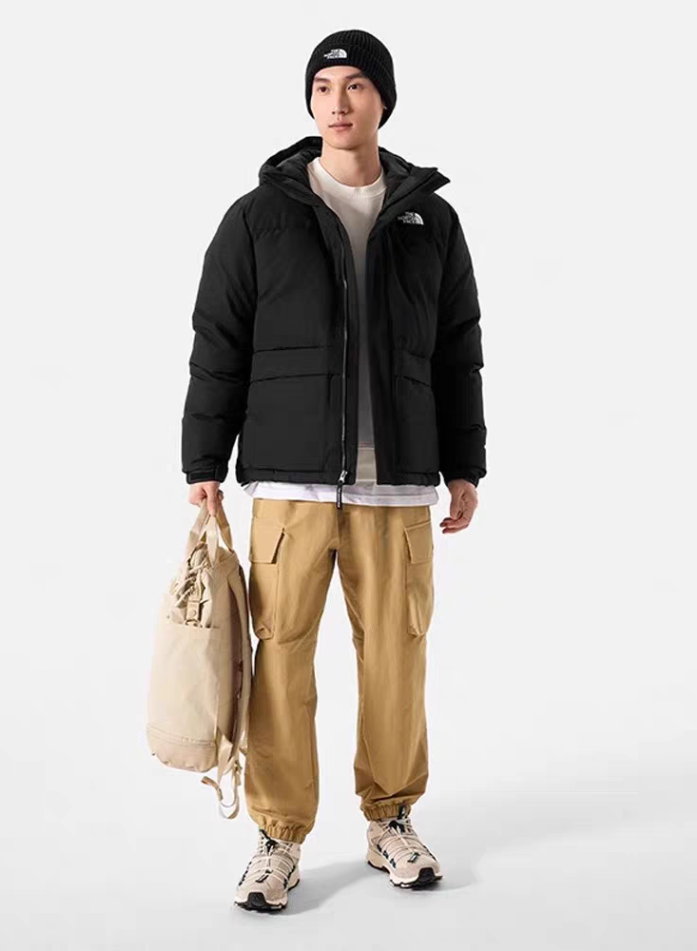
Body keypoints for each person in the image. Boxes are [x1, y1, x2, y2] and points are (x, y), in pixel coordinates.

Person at [181, 28, 487, 912]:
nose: (338, 102)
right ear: (309, 101)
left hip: (398, 485)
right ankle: (279, 837)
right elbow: (218, 340)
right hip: (289, 484)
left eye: (355, 85)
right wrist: (203, 457)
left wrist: (464, 463)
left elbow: (458, 349)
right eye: (323, 86)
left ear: (382, 98)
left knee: (396, 656)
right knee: (280, 661)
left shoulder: (431, 219)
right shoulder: (258, 216)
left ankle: (391, 818)